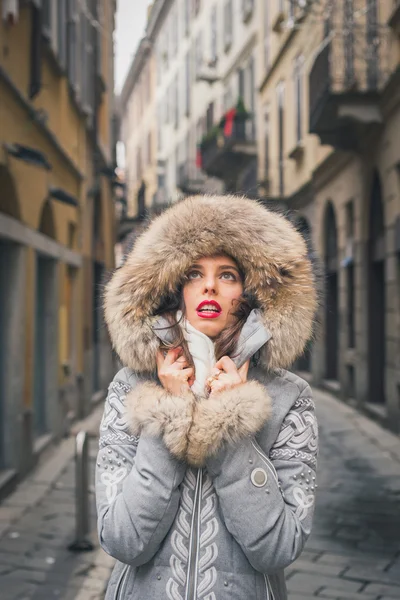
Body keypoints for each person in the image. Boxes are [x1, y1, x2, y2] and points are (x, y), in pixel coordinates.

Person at [96, 194, 319, 600]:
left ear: (252, 292)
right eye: (194, 273)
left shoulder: (290, 398)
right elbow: (123, 541)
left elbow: (278, 548)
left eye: (228, 274)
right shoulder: (131, 387)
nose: (210, 285)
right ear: (174, 288)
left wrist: (229, 423)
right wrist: (171, 412)